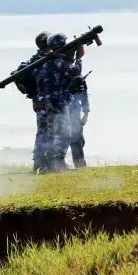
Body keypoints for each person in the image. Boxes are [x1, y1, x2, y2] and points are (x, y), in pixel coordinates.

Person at [35, 33, 84, 173]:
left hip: (47, 102)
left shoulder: (46, 61)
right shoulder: (60, 62)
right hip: (58, 102)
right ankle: (58, 164)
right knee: (64, 133)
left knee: (51, 133)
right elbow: (74, 72)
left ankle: (48, 164)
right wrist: (79, 58)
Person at [25, 31, 50, 173]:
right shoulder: (45, 61)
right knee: (47, 133)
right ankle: (43, 165)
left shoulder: (34, 59)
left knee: (42, 133)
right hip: (46, 102)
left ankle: (39, 164)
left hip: (38, 102)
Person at [66, 71, 90, 168]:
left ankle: (80, 164)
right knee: (73, 139)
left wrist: (85, 114)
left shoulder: (74, 72)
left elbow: (83, 95)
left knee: (78, 139)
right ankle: (79, 164)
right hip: (60, 110)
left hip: (74, 111)